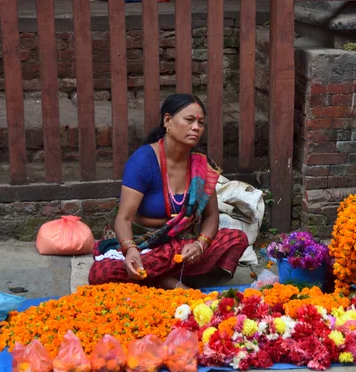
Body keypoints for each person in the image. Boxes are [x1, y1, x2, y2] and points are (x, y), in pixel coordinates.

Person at [88, 93, 249, 289]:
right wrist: (130, 249)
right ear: (167, 121)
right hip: (144, 245)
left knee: (236, 239)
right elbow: (123, 219)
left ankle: (159, 279)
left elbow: (211, 216)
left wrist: (200, 245)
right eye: (189, 120)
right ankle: (167, 280)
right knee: (102, 272)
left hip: (185, 245)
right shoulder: (144, 160)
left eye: (201, 123)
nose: (196, 127)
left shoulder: (201, 165)